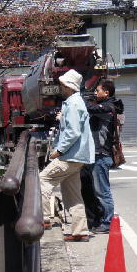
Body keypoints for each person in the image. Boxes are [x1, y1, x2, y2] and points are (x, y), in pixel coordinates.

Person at [40, 69, 95, 242]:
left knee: (43, 179)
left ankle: (44, 218)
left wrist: (59, 150)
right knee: (73, 195)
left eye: (63, 84)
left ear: (68, 86)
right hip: (79, 156)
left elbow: (72, 132)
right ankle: (80, 231)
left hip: (70, 155)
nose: (60, 86)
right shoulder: (75, 102)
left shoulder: (72, 103)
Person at [85, 79, 124, 234]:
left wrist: (84, 100)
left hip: (102, 154)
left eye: (98, 90)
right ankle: (101, 220)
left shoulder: (109, 107)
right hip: (97, 154)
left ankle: (107, 223)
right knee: (97, 191)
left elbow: (91, 109)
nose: (95, 93)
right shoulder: (108, 105)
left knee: (103, 191)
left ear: (106, 93)